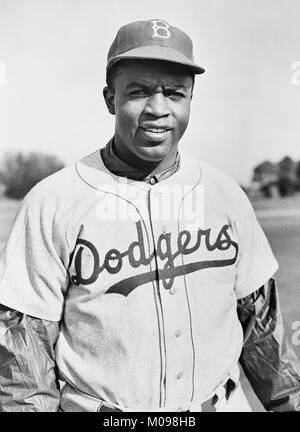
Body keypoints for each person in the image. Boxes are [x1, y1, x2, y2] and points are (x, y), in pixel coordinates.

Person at [0, 19, 300, 412]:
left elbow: (264, 334)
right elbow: (23, 363)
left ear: (191, 98)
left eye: (175, 93)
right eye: (139, 91)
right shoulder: (54, 201)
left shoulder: (225, 194)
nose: (158, 109)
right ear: (110, 98)